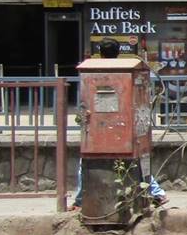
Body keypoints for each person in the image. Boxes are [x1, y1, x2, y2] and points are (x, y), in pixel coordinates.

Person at [71, 38, 167, 209]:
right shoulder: (129, 69)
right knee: (135, 164)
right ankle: (157, 193)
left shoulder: (94, 72)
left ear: (100, 52)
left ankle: (79, 201)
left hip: (98, 131)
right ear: (118, 51)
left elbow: (84, 104)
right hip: (125, 129)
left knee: (84, 166)